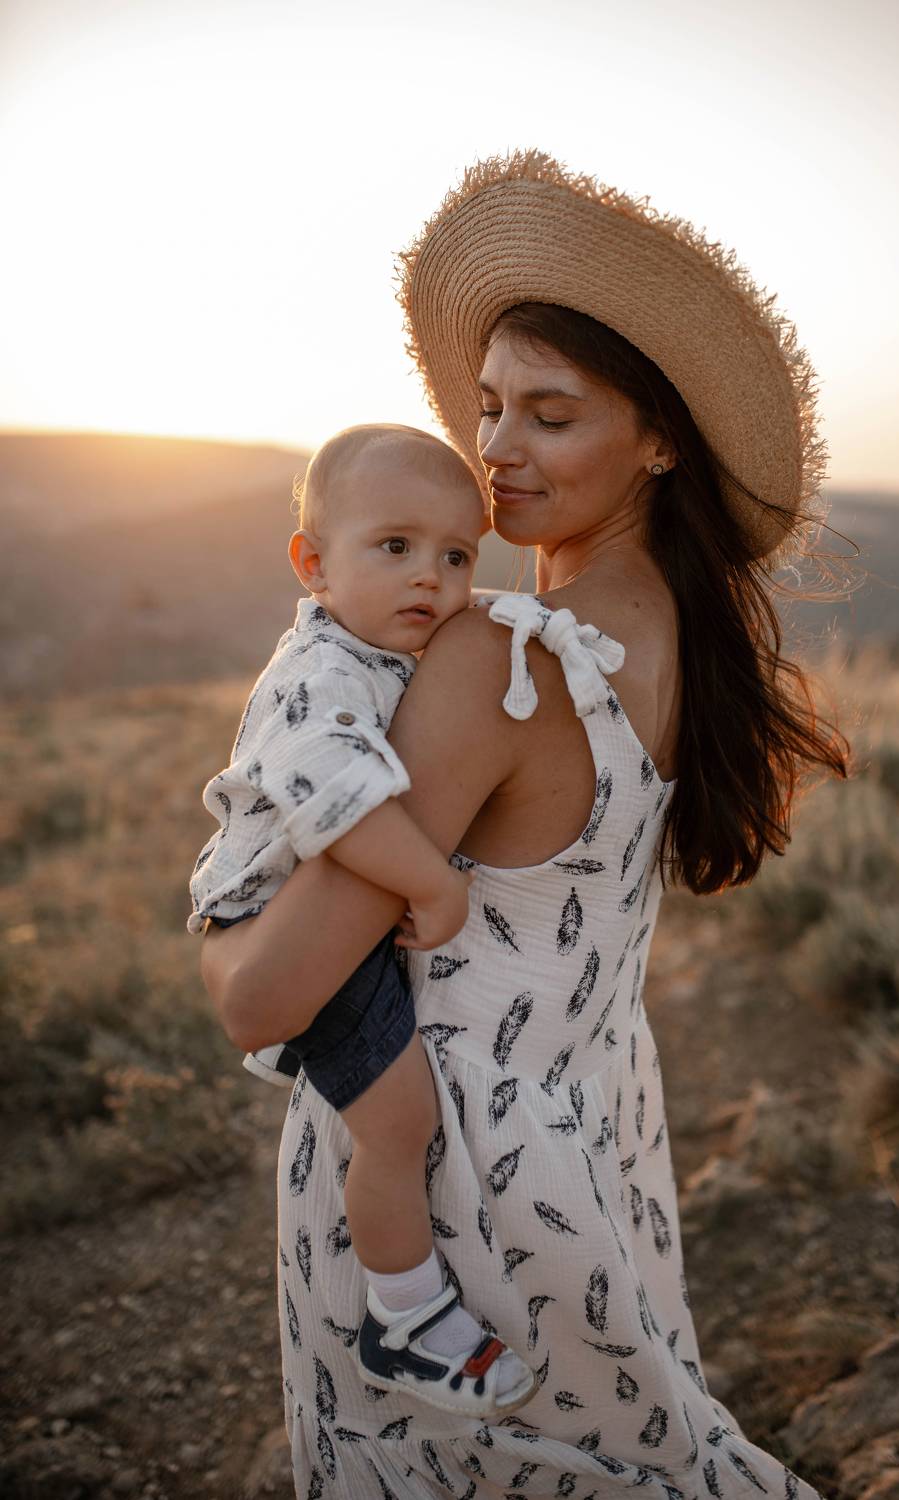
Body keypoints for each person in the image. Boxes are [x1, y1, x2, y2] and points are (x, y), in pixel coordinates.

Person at [201, 149, 847, 1497]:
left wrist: (219, 922)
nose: (494, 449)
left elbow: (267, 998)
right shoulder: (674, 637)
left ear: (659, 440)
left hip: (442, 1170)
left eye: (550, 415)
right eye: (489, 407)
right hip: (582, 1124)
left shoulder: (500, 656)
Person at [187, 421, 538, 1419]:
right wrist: (432, 885)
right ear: (313, 564)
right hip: (280, 917)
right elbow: (336, 800)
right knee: (398, 1123)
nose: (431, 575)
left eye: (457, 556)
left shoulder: (384, 646)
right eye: (394, 546)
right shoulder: (320, 673)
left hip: (332, 925)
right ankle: (406, 1315)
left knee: (400, 1115)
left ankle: (408, 1303)